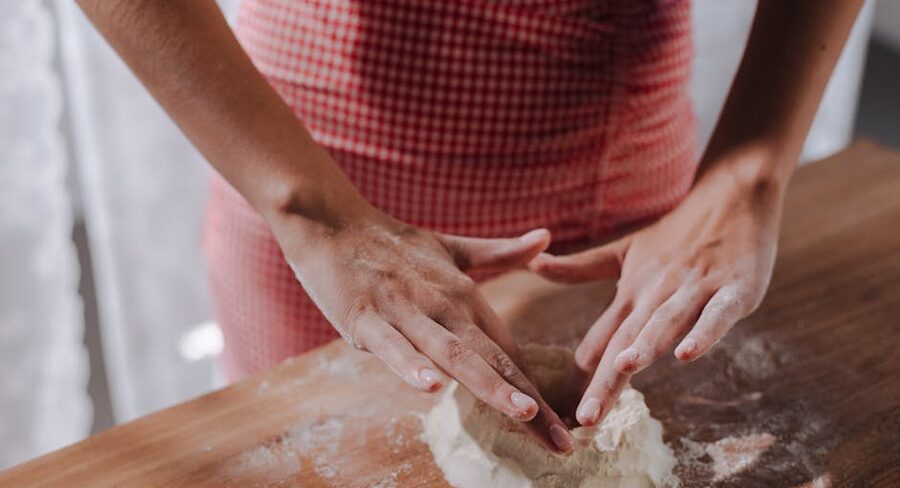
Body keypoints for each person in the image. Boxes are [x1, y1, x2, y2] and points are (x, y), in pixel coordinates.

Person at [77, 0, 863, 454]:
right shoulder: (302, 205)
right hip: (299, 172)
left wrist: (748, 170)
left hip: (613, 208)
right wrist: (307, 211)